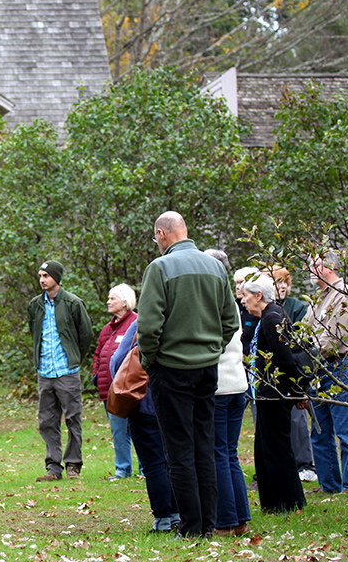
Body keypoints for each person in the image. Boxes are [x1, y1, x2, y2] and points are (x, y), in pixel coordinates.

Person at [137, 212, 239, 538]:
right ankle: (208, 523)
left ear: (161, 233)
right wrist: (211, 350)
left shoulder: (160, 268)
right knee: (204, 446)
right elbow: (230, 322)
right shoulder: (216, 267)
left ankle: (193, 527)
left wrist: (150, 361)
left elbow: (149, 326)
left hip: (171, 369)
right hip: (207, 369)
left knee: (179, 450)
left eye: (156, 237)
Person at [241, 274, 307, 513]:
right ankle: (271, 502)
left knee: (277, 448)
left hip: (275, 393)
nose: (243, 301)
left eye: (246, 295)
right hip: (265, 392)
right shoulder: (267, 316)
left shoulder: (272, 317)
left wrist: (298, 392)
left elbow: (285, 358)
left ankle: (287, 502)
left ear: (259, 295)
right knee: (264, 448)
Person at [27, 260, 94, 481]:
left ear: (56, 277)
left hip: (67, 371)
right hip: (45, 372)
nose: (42, 280)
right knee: (47, 420)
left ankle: (73, 465)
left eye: (46, 276)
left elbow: (85, 335)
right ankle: (53, 468)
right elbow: (34, 334)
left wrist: (73, 358)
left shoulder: (73, 303)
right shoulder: (35, 305)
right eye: (40, 276)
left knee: (73, 418)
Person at [111, 320, 180, 534]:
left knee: (153, 464)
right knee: (175, 461)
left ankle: (163, 519)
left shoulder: (142, 323)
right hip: (176, 402)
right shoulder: (183, 322)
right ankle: (179, 514)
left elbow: (117, 361)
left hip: (145, 402)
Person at [305, 251, 348, 495]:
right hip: (319, 369)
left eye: (314, 265)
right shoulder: (319, 298)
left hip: (342, 366)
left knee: (346, 431)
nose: (309, 270)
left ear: (329, 266)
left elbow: (336, 336)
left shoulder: (345, 295)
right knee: (319, 431)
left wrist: (308, 350)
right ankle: (329, 485)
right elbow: (305, 329)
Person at [204, 250, 252, 536]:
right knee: (229, 454)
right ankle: (240, 518)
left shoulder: (213, 301)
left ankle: (225, 520)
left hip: (221, 386)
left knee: (218, 454)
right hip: (238, 383)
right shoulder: (232, 303)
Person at [262, 265, 317, 483]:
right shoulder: (262, 309)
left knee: (298, 420)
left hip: (291, 372)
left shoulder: (295, 307)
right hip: (270, 378)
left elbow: (300, 341)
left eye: (285, 282)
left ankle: (305, 463)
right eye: (277, 282)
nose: (282, 286)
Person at [92, 283, 138, 481]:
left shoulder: (136, 323)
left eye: (112, 298)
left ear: (125, 302)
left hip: (133, 388)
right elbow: (98, 354)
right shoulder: (107, 329)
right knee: (118, 431)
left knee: (139, 429)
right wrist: (97, 376)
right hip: (110, 389)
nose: (108, 302)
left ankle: (146, 469)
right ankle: (123, 469)